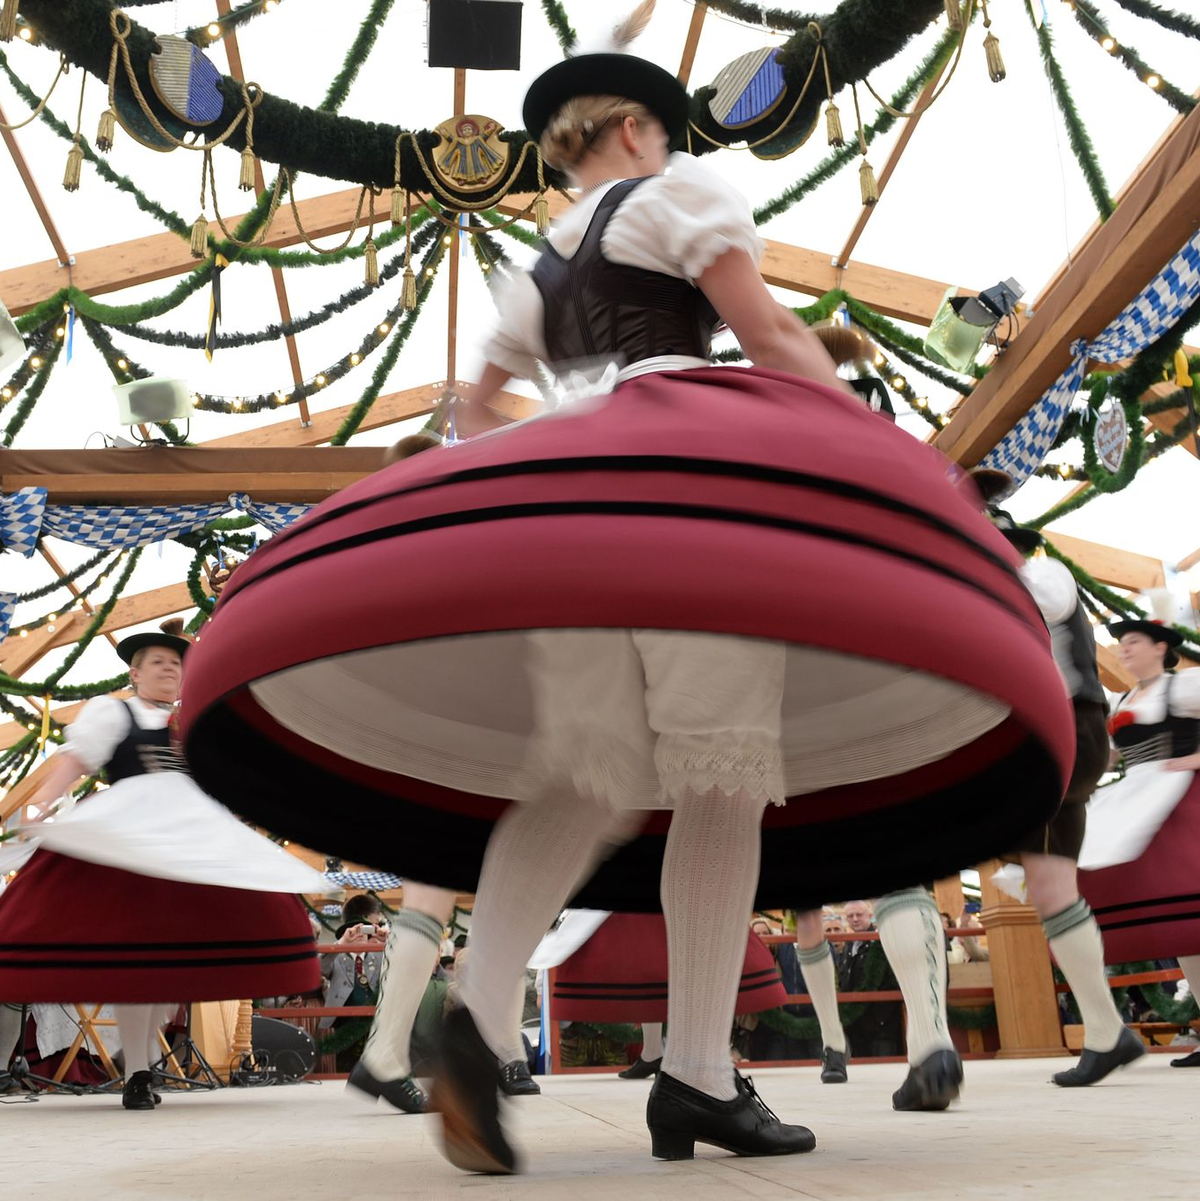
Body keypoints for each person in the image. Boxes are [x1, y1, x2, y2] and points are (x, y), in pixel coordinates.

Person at [180, 2, 1073, 1175]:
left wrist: (568, 466)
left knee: (583, 778)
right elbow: (763, 335)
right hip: (703, 505)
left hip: (584, 513)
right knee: (720, 778)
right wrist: (893, 467)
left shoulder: (542, 259)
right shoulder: (683, 198)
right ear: (643, 130)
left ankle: (478, 1017)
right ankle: (699, 1072)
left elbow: (473, 410)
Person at [0, 622, 326, 1110]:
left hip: (188, 841)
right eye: (158, 662)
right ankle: (137, 1071)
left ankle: (141, 1068)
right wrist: (39, 807)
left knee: (160, 961)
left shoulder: (195, 725)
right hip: (131, 836)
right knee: (139, 959)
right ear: (134, 672)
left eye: (176, 664)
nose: (170, 670)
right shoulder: (114, 713)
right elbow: (76, 761)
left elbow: (226, 780)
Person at [972, 479, 1140, 1088]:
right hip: (1058, 736)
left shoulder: (1044, 577)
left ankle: (1106, 1029)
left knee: (1047, 881)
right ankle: (1105, 1031)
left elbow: (1027, 617)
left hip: (1061, 731)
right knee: (1053, 885)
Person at [1076, 613, 1200, 1074]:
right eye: (1122, 643)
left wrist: (1196, 757)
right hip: (1137, 793)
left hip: (1181, 794)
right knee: (1185, 928)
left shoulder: (1184, 687)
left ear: (1160, 648)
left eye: (1132, 641)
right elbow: (1112, 755)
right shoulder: (1123, 698)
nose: (1124, 649)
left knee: (1192, 914)